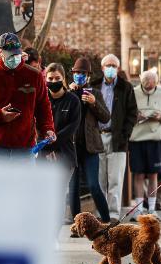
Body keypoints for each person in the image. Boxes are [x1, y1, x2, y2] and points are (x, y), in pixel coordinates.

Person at [0, 32, 55, 162]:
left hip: (25, 149)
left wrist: (48, 129)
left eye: (17, 54)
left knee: (25, 183)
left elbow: (43, 106)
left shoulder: (34, 75)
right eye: (10, 55)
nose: (15, 57)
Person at [90, 54, 138, 221]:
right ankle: (100, 214)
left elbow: (133, 113)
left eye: (114, 65)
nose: (110, 68)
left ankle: (113, 215)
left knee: (115, 180)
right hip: (97, 138)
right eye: (108, 65)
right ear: (102, 68)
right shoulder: (94, 85)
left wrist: (125, 134)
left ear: (118, 68)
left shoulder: (126, 87)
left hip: (117, 139)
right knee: (99, 180)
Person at [67, 58, 112, 224]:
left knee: (93, 185)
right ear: (73, 74)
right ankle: (77, 225)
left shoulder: (95, 93)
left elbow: (106, 117)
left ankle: (107, 220)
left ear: (88, 76)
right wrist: (68, 92)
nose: (79, 76)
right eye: (77, 73)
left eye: (83, 73)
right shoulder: (67, 93)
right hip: (71, 147)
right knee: (73, 187)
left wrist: (94, 104)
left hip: (90, 147)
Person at [129, 68, 161, 220]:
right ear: (141, 82)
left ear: (156, 83)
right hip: (137, 139)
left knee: (153, 175)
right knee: (138, 174)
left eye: (152, 85)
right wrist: (136, 116)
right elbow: (127, 113)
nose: (149, 87)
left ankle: (152, 209)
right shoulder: (133, 93)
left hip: (156, 139)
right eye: (146, 85)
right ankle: (138, 210)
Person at [41, 63, 81, 173]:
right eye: (50, 78)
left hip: (65, 155)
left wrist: (51, 146)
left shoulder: (73, 100)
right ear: (45, 79)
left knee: (61, 190)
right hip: (42, 155)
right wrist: (45, 148)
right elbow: (35, 125)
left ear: (63, 78)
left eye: (57, 78)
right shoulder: (41, 100)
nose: (54, 81)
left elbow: (71, 127)